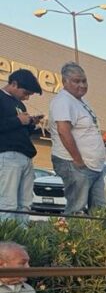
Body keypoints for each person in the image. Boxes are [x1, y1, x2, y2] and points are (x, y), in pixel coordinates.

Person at [49, 62, 106, 214]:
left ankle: (99, 238)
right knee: (76, 209)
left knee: (100, 210)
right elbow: (63, 131)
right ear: (65, 82)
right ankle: (70, 238)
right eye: (76, 81)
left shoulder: (81, 101)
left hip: (93, 166)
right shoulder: (63, 101)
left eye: (84, 81)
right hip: (76, 164)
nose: (82, 85)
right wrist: (78, 160)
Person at [0, 69, 43, 225]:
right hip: (7, 154)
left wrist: (30, 123)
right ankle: (5, 243)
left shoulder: (20, 105)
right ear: (14, 83)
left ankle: (21, 240)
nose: (27, 97)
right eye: (25, 92)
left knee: (24, 204)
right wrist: (18, 121)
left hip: (25, 156)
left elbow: (19, 129)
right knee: (7, 203)